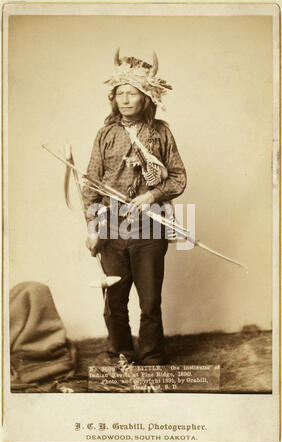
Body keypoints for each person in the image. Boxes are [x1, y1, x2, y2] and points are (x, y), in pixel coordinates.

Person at [82, 50, 187, 365]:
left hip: (150, 226)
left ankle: (153, 356)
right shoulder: (105, 135)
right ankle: (121, 353)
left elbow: (178, 177)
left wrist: (152, 195)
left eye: (133, 93)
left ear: (147, 98)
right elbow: (90, 184)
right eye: (120, 93)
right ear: (113, 99)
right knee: (114, 299)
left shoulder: (161, 132)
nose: (125, 99)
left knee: (150, 300)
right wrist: (92, 227)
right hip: (112, 226)